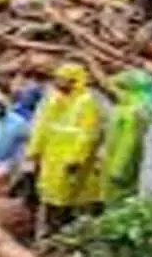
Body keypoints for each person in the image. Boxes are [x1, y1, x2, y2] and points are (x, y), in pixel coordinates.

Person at [26, 63, 104, 235]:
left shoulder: (86, 102)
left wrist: (77, 158)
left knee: (70, 196)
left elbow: (88, 134)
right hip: (51, 155)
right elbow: (41, 125)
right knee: (49, 194)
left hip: (70, 157)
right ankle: (50, 230)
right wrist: (34, 151)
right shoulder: (52, 99)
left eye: (62, 80)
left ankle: (67, 231)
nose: (58, 83)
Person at [100, 69, 152, 204]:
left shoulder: (134, 112)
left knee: (118, 201)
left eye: (119, 88)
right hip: (116, 161)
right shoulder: (127, 107)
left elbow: (130, 142)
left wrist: (118, 169)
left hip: (123, 168)